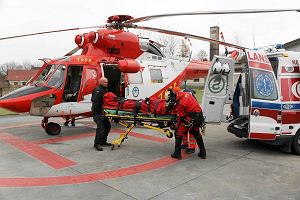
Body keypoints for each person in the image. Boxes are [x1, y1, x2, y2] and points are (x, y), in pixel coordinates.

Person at [165, 88, 206, 160]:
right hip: (199, 117)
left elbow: (181, 117)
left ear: (173, 96)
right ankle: (203, 153)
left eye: (171, 99)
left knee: (178, 133)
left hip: (191, 118)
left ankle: (177, 154)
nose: (172, 101)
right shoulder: (186, 94)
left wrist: (176, 126)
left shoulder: (180, 103)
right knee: (197, 134)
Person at [91, 77, 111, 151]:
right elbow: (95, 103)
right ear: (101, 82)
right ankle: (96, 144)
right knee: (101, 128)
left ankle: (103, 141)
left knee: (108, 126)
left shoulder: (104, 89)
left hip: (103, 112)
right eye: (106, 82)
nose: (107, 83)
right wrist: (99, 114)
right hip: (98, 113)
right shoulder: (98, 90)